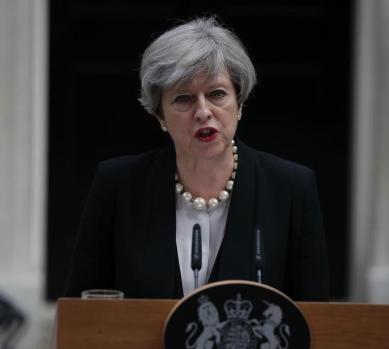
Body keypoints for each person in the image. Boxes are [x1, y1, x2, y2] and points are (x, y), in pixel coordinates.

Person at [65, 17, 329, 301]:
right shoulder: (117, 185)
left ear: (239, 103)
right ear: (159, 115)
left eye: (217, 94)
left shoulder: (291, 188)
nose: (203, 111)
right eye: (183, 99)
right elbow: (82, 308)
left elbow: (314, 317)